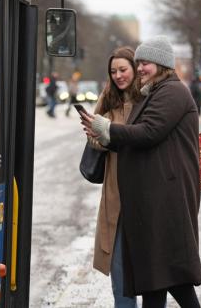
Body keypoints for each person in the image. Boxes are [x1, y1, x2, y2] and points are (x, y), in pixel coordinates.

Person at [80, 35, 201, 308]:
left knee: (164, 272)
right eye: (139, 63)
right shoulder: (155, 93)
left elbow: (149, 133)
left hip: (166, 196)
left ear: (162, 64)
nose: (141, 69)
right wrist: (104, 135)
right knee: (157, 275)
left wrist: (108, 129)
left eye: (145, 63)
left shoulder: (172, 92)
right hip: (154, 196)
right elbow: (140, 141)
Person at [87, 46, 142, 308]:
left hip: (145, 193)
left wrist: (111, 130)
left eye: (123, 69)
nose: (118, 75)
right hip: (116, 194)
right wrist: (106, 135)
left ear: (134, 68)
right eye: (113, 71)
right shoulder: (108, 99)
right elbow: (92, 137)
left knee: (152, 270)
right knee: (119, 268)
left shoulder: (147, 98)